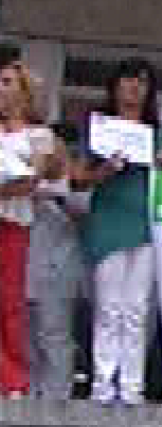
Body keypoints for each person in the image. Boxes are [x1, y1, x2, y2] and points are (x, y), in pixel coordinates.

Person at [73, 57, 162, 405]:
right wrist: (105, 171)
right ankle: (102, 385)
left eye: (142, 82)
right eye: (129, 81)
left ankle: (132, 387)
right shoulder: (98, 127)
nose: (134, 88)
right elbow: (79, 176)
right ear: (115, 86)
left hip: (144, 223)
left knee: (136, 309)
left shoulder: (157, 129)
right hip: (110, 221)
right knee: (108, 307)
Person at [0, 62, 62, 397]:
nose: (1, 89)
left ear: (23, 92)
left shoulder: (38, 136)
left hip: (13, 223)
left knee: (9, 300)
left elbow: (33, 180)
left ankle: (13, 379)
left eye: (7, 83)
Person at [28, 121, 87, 399]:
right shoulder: (27, 176)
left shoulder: (79, 179)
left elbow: (83, 210)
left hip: (61, 267)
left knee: (54, 336)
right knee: (24, 336)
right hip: (26, 265)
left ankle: (56, 400)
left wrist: (58, 189)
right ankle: (26, 395)